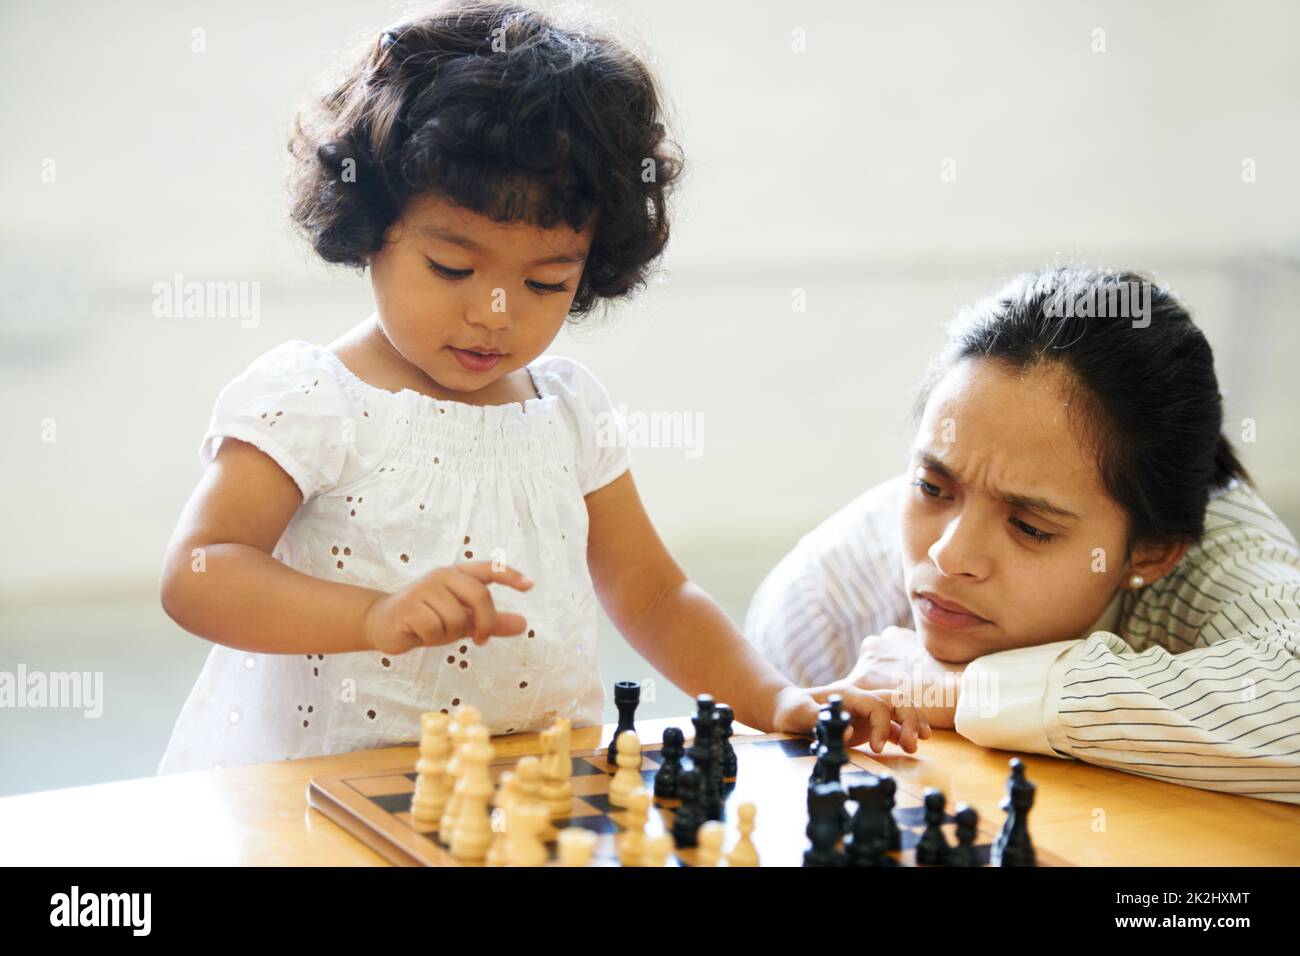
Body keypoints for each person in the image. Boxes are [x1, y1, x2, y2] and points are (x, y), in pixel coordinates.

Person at [157, 1, 926, 774]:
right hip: (330, 793)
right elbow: (201, 572)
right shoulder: (316, 399)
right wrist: (375, 616)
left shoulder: (565, 410)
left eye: (545, 281)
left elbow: (656, 597)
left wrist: (776, 699)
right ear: (369, 226)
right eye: (452, 269)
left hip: (522, 790)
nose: (494, 313)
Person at [746, 267, 1300, 804]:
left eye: (1030, 527)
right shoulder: (823, 607)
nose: (949, 555)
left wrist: (958, 689)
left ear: (1153, 552)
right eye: (933, 488)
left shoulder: (1224, 559)